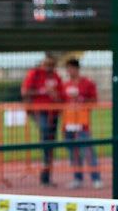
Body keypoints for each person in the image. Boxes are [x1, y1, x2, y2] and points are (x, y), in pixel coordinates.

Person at [21, 53, 64, 186]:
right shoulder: (35, 74)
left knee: (51, 142)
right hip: (39, 111)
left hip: (53, 113)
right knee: (45, 134)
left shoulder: (56, 76)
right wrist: (43, 91)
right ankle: (45, 166)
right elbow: (25, 92)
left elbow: (61, 96)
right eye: (47, 65)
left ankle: (46, 176)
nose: (49, 68)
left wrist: (55, 95)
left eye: (52, 65)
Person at [62, 58, 102, 190]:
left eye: (71, 68)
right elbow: (60, 101)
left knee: (88, 151)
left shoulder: (87, 83)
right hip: (68, 122)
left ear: (77, 68)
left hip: (82, 122)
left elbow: (94, 100)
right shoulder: (65, 85)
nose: (69, 71)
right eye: (67, 69)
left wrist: (81, 99)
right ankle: (77, 178)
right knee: (73, 153)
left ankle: (96, 178)